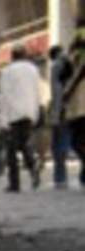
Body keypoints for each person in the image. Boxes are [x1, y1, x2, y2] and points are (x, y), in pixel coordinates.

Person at [0, 44, 42, 192]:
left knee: (11, 150)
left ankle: (14, 184)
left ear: (12, 56)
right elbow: (37, 92)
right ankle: (33, 167)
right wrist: (36, 113)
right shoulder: (33, 70)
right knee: (24, 144)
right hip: (29, 112)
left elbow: (4, 96)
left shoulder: (7, 71)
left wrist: (3, 120)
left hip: (13, 114)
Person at [64, 16, 85, 187]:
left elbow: (78, 70)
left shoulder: (78, 43)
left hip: (80, 101)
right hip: (78, 99)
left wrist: (68, 92)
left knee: (76, 139)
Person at [50, 45, 72, 189]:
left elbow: (57, 91)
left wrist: (55, 115)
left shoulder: (56, 66)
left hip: (63, 111)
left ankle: (60, 178)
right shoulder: (72, 61)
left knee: (59, 146)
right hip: (75, 109)